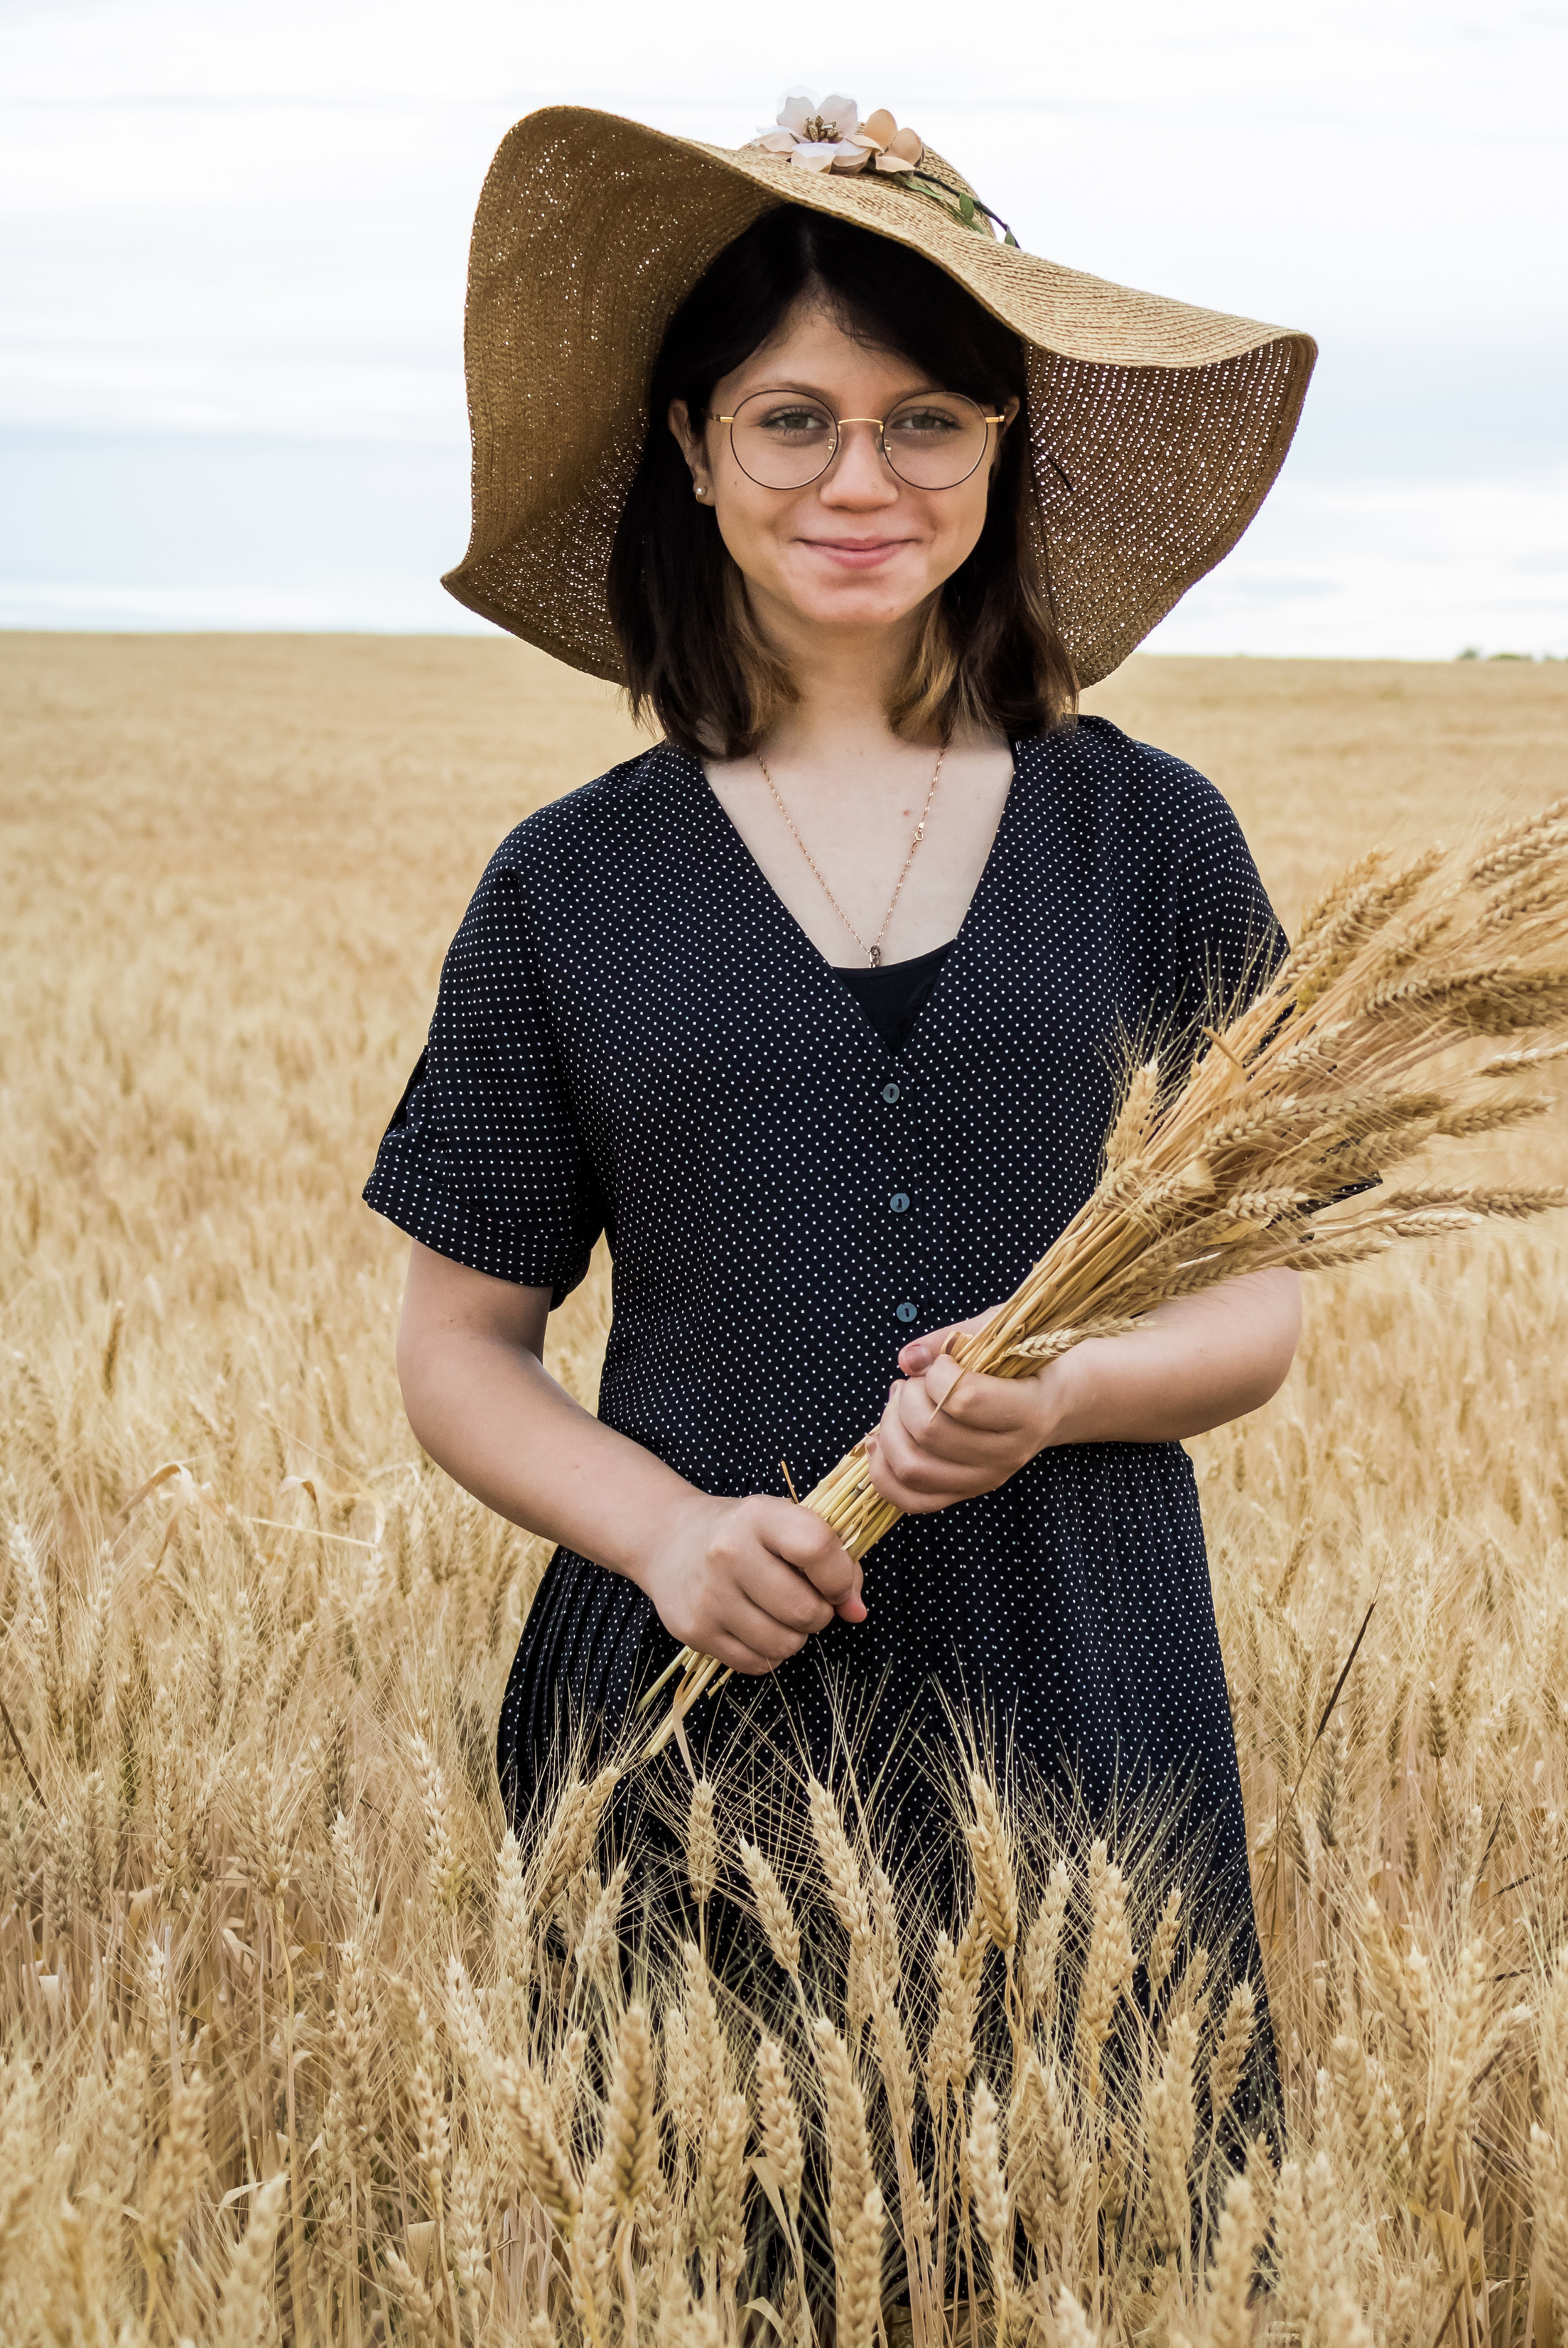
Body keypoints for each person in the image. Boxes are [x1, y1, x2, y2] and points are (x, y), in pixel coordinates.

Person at [364, 94, 1316, 2096]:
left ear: (1001, 451)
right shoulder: (569, 885)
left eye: (926, 419)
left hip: (1088, 1695)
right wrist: (668, 1538)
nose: (858, 474)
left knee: (1122, 2317)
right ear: (697, 451)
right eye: (793, 417)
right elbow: (460, 1348)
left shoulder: (1152, 839)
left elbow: (1261, 1303)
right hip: (693, 1718)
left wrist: (1066, 1395)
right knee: (710, 2322)